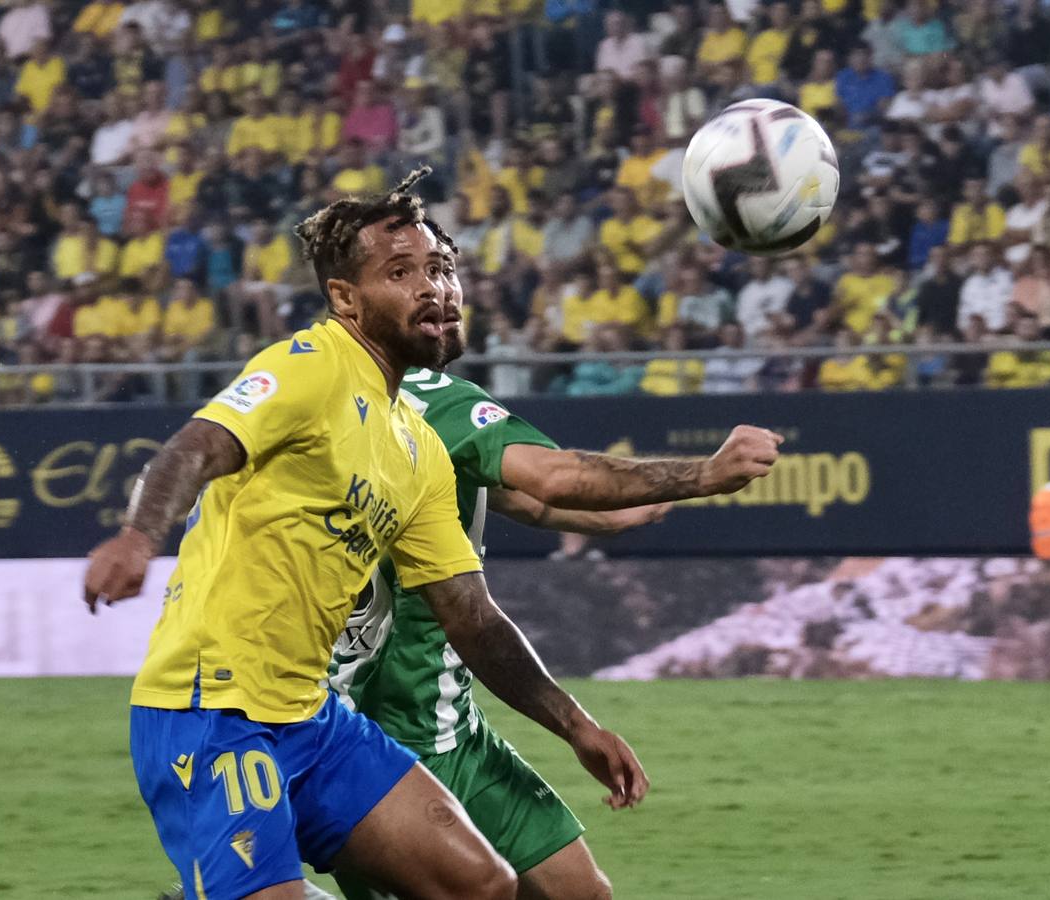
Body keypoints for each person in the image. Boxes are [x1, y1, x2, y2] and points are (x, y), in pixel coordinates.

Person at [85, 171, 782, 900]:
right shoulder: (311, 368)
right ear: (344, 298)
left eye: (441, 269)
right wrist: (138, 537)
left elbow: (474, 619)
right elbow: (198, 445)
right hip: (211, 709)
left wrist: (576, 726)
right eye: (401, 273)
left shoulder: (414, 446)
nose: (434, 289)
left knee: (479, 884)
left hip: (310, 717)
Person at [330, 245, 779, 900]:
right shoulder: (438, 401)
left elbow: (529, 497)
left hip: (452, 726)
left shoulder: (336, 395)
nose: (443, 294)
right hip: (383, 744)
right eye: (415, 278)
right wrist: (705, 474)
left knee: (583, 893)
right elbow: (554, 475)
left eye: (448, 273)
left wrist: (627, 504)